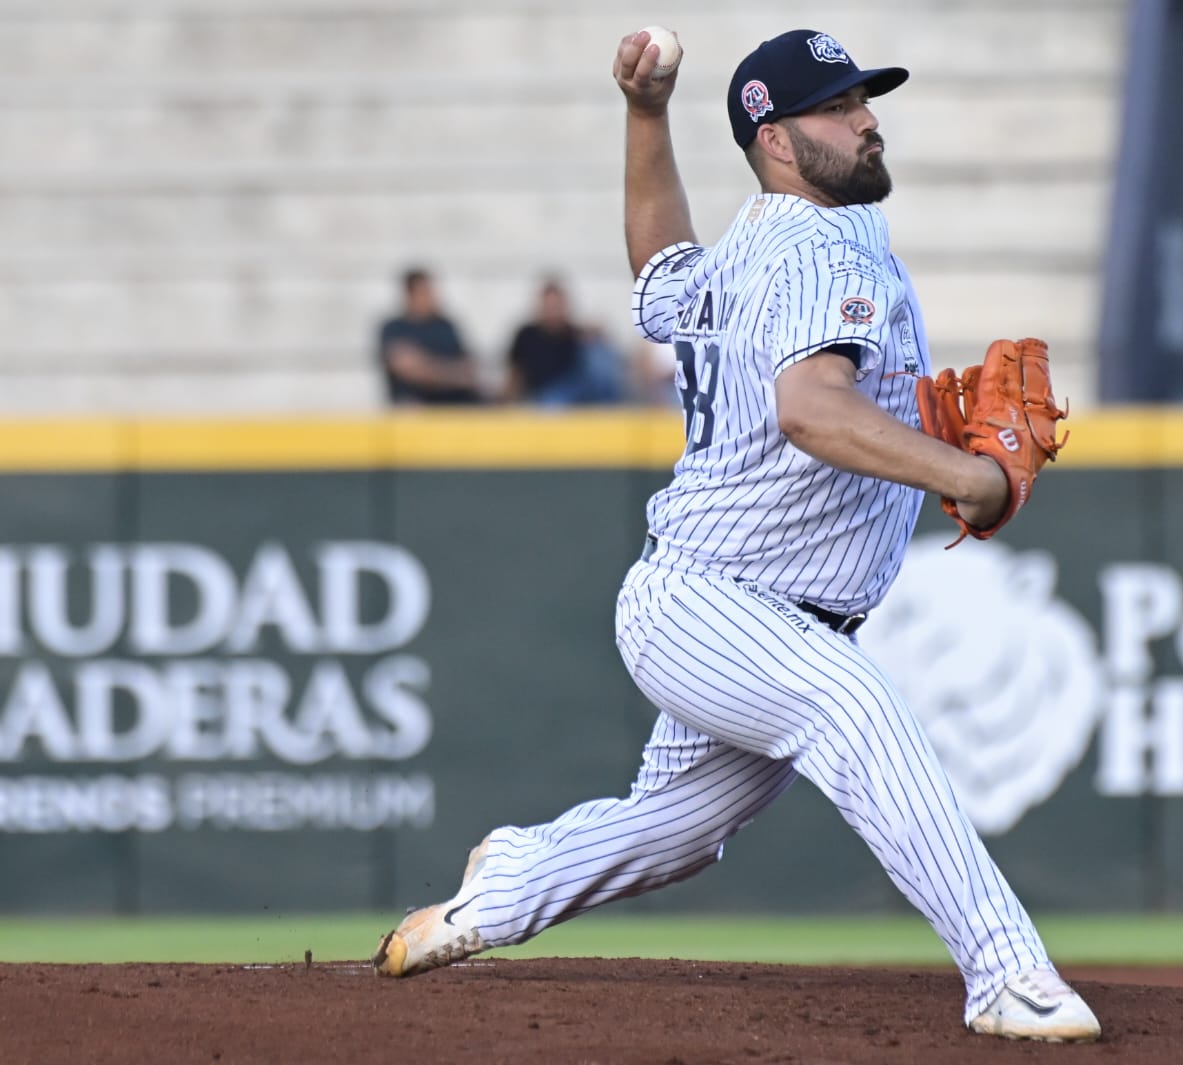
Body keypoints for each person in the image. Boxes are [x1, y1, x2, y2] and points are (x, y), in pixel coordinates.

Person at [370, 27, 1100, 1045]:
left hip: (736, 603)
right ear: (776, 141)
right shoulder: (821, 247)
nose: (867, 120)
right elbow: (810, 409)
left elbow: (660, 266)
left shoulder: (752, 247)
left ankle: (504, 887)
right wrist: (970, 479)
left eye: (863, 100)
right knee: (853, 711)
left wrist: (645, 115)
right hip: (719, 603)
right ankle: (1007, 974)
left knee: (675, 831)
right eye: (837, 108)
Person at [502, 277, 625, 406]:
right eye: (549, 306)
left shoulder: (575, 334)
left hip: (577, 394)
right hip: (543, 398)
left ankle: (609, 405)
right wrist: (508, 402)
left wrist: (595, 335)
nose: (552, 312)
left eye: (556, 306)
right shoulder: (527, 335)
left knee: (598, 352)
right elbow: (516, 373)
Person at [376, 267, 483, 405]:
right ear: (410, 295)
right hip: (415, 404)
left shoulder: (446, 326)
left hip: (453, 402)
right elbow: (406, 367)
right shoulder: (394, 328)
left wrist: (428, 368)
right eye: (425, 292)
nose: (432, 297)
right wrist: (451, 374)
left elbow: (469, 369)